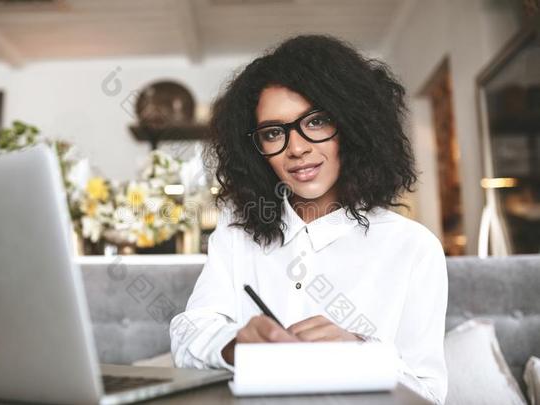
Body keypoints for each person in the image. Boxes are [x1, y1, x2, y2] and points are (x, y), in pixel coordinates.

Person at [169, 34, 448, 405]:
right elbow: (188, 333)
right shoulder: (238, 230)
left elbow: (429, 394)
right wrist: (235, 345)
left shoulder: (414, 248)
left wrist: (360, 352)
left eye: (316, 122)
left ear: (353, 127)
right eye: (273, 132)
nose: (297, 148)